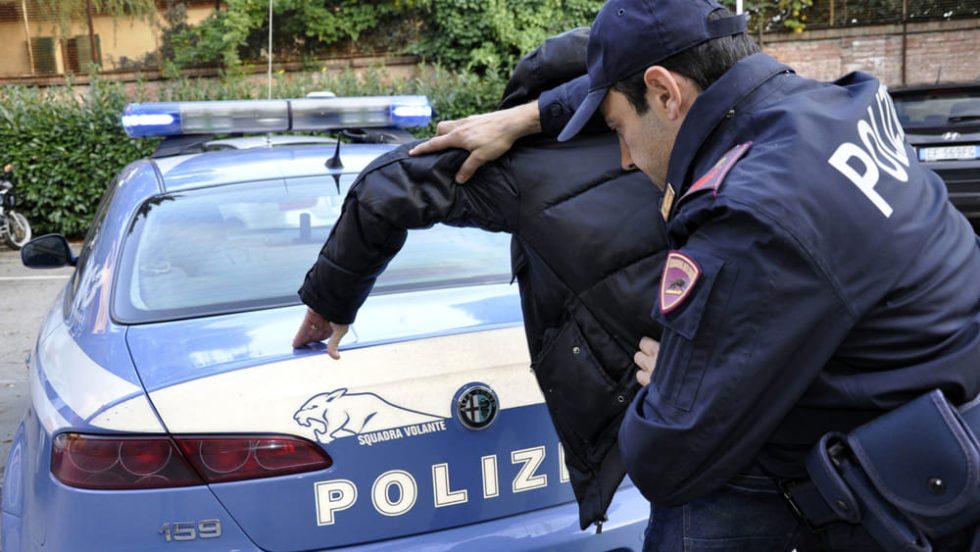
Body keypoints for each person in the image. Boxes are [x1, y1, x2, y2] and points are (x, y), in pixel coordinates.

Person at [410, 0, 980, 550]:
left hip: (875, 499)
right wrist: (525, 116)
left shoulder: (750, 212)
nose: (626, 158)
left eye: (617, 129)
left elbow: (663, 458)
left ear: (665, 94)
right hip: (936, 426)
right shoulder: (840, 104)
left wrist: (678, 379)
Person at [292, 28, 670, 532]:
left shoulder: (520, 168)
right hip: (690, 399)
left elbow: (385, 188)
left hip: (644, 412)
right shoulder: (682, 125)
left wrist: (330, 303)